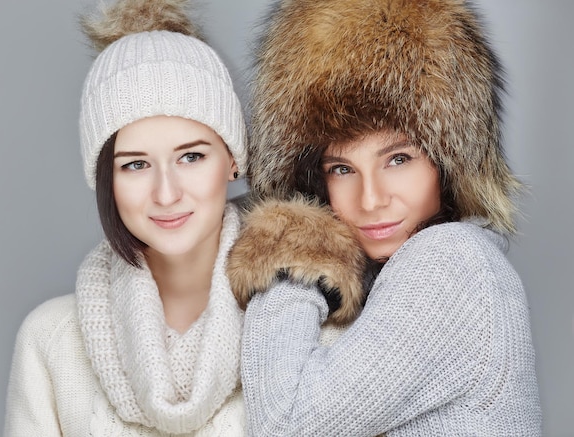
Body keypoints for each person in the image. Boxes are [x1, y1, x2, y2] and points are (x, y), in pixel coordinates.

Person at [226, 0, 542, 435]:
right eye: (341, 169)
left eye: (397, 159)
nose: (371, 199)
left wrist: (292, 255)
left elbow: (286, 424)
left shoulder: (452, 260)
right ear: (314, 180)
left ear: (447, 162)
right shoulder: (390, 276)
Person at [3, 0, 248, 435]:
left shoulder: (296, 322)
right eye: (135, 164)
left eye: (191, 156)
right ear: (105, 180)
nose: (167, 193)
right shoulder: (52, 340)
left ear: (233, 160)